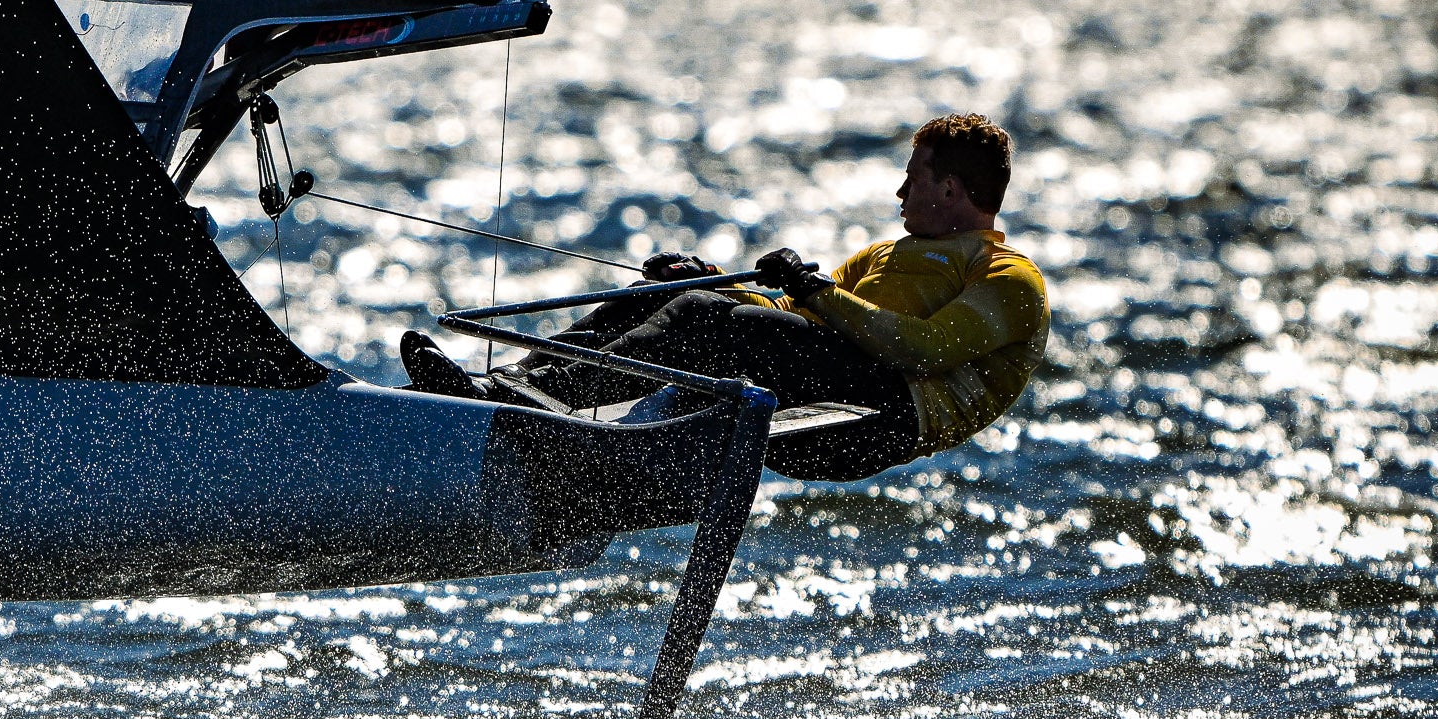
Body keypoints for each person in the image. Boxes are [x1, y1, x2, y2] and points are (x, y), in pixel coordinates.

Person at [400, 113, 1050, 481]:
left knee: (706, 318)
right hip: (823, 381)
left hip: (876, 417)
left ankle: (533, 404)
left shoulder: (1008, 278)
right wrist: (711, 274)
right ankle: (504, 386)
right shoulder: (886, 256)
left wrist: (813, 289)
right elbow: (784, 321)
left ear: (953, 191)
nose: (900, 194)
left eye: (914, 180)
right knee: (668, 292)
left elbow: (922, 349)